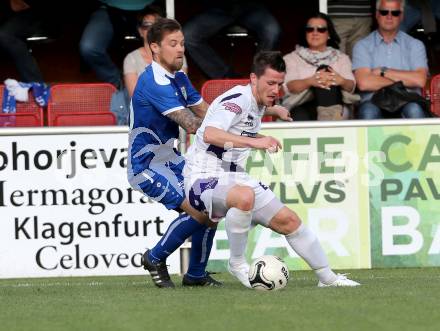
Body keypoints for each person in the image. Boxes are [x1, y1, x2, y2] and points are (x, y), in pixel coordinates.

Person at [183, 51, 360, 288]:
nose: (276, 90)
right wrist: (257, 141)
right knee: (244, 196)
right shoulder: (236, 101)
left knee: (289, 221)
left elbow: (243, 122)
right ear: (253, 79)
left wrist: (273, 111)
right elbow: (210, 133)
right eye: (270, 83)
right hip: (203, 176)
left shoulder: (257, 101)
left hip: (234, 176)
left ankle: (328, 278)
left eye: (279, 83)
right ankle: (236, 263)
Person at [128, 18, 221, 288]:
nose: (180, 49)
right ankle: (154, 257)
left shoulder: (178, 77)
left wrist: (241, 119)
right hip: (145, 166)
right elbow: (192, 124)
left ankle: (195, 275)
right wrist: (230, 135)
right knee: (199, 212)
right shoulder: (153, 82)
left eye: (182, 43)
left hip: (172, 160)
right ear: (154, 47)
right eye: (173, 44)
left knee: (213, 206)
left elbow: (206, 110)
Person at [352, 0, 429, 119]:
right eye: (384, 12)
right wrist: (401, 84)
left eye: (395, 13)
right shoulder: (362, 45)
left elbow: (419, 80)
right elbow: (364, 83)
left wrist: (383, 71)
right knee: (368, 112)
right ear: (377, 14)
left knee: (414, 110)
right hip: (373, 101)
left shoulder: (415, 45)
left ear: (402, 16)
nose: (389, 16)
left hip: (407, 101)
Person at [283, 13, 357, 121]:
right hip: (302, 105)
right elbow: (290, 86)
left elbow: (351, 86)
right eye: (310, 29)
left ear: (329, 34)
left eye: (321, 29)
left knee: (326, 71)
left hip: (336, 105)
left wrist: (339, 80)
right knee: (299, 116)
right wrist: (311, 81)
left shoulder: (341, 58)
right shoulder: (291, 58)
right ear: (305, 33)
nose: (315, 33)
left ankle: (328, 121)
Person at [183, 0, 281, 79]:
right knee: (188, 35)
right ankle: (224, 76)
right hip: (217, 8)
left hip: (251, 6)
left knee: (272, 31)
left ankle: (259, 77)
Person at [80, 0, 154, 89]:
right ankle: (118, 84)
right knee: (89, 47)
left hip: (149, 8)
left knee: (162, 40)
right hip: (109, 8)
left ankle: (156, 83)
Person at [123, 6, 188, 98]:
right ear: (140, 31)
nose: (152, 29)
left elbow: (182, 92)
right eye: (147, 25)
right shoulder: (131, 59)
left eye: (158, 25)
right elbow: (136, 97)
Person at [0, 0, 53, 83]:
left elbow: (18, 6)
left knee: (5, 35)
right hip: (13, 13)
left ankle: (36, 84)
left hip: (31, 13)